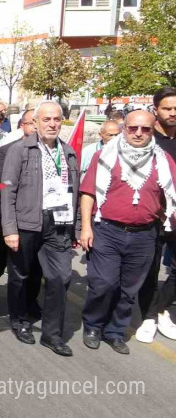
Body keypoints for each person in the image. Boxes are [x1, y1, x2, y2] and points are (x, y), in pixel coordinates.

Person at [79, 110, 176, 356]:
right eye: (133, 128)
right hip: (107, 231)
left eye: (145, 129)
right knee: (103, 284)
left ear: (152, 131)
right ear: (125, 129)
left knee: (128, 290)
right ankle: (93, 326)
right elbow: (88, 193)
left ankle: (115, 332)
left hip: (145, 235)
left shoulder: (163, 160)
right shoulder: (105, 156)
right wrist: (86, 227)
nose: (139, 133)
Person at [1, 101, 79, 357]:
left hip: (58, 224)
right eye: (46, 119)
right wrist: (9, 228)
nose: (52, 124)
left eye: (57, 119)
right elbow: (8, 191)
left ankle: (52, 334)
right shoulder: (20, 150)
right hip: (26, 223)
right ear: (35, 123)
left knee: (60, 278)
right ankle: (20, 321)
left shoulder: (67, 153)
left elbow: (74, 193)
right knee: (21, 276)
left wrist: (75, 228)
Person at [135, 87, 176, 343]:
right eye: (167, 108)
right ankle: (149, 317)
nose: (173, 113)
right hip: (149, 217)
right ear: (156, 110)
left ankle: (161, 308)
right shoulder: (145, 141)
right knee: (148, 270)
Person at [0, 110, 37, 296]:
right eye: (31, 123)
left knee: (28, 260)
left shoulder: (51, 151)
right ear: (21, 125)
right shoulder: (7, 150)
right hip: (9, 210)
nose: (35, 126)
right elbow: (0, 184)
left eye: (37, 122)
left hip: (33, 214)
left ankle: (26, 299)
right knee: (1, 254)